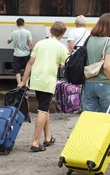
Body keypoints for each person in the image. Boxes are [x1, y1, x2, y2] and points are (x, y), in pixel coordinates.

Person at [17, 21, 69, 152]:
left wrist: (23, 81)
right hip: (48, 81)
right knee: (42, 110)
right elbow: (66, 63)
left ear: (50, 31)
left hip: (36, 80)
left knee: (44, 108)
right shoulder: (61, 47)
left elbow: (30, 63)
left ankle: (48, 137)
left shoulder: (40, 43)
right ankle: (35, 142)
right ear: (62, 34)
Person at [81, 13, 110, 163]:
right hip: (105, 86)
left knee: (89, 120)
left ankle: (89, 151)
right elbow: (107, 66)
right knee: (108, 121)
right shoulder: (109, 42)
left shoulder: (89, 40)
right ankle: (106, 154)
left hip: (88, 84)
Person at [8, 18, 34, 84]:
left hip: (17, 54)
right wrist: (31, 50)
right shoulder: (28, 32)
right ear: (24, 23)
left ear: (16, 24)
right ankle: (26, 84)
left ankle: (19, 83)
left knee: (17, 70)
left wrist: (12, 40)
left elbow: (8, 41)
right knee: (27, 69)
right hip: (26, 54)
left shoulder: (13, 32)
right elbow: (31, 43)